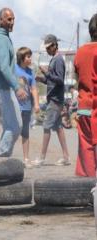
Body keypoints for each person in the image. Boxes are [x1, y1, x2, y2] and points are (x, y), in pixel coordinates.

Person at [0, 8, 27, 157]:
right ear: (0, 20)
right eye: (8, 19)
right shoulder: (1, 40)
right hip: (4, 88)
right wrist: (16, 87)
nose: (12, 22)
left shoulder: (1, 38)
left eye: (13, 19)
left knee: (8, 127)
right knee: (16, 126)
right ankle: (0, 154)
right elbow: (4, 67)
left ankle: (3, 160)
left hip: (4, 87)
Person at [34, 34, 70, 166]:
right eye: (47, 48)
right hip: (54, 98)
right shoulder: (54, 59)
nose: (48, 50)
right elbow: (52, 81)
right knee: (58, 127)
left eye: (49, 47)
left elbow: (60, 80)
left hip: (55, 100)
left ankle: (42, 157)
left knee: (46, 127)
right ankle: (66, 157)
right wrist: (42, 79)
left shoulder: (58, 60)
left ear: (55, 45)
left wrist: (46, 73)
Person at [74, 13, 97, 177]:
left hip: (83, 109)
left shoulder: (80, 52)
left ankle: (87, 193)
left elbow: (78, 79)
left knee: (86, 150)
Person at [15, 47, 40, 167]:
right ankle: (6, 156)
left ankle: (26, 159)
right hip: (15, 107)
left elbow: (34, 89)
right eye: (28, 56)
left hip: (26, 107)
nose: (30, 58)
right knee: (13, 131)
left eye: (30, 56)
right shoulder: (13, 69)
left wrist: (36, 104)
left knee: (25, 133)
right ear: (21, 58)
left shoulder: (31, 72)